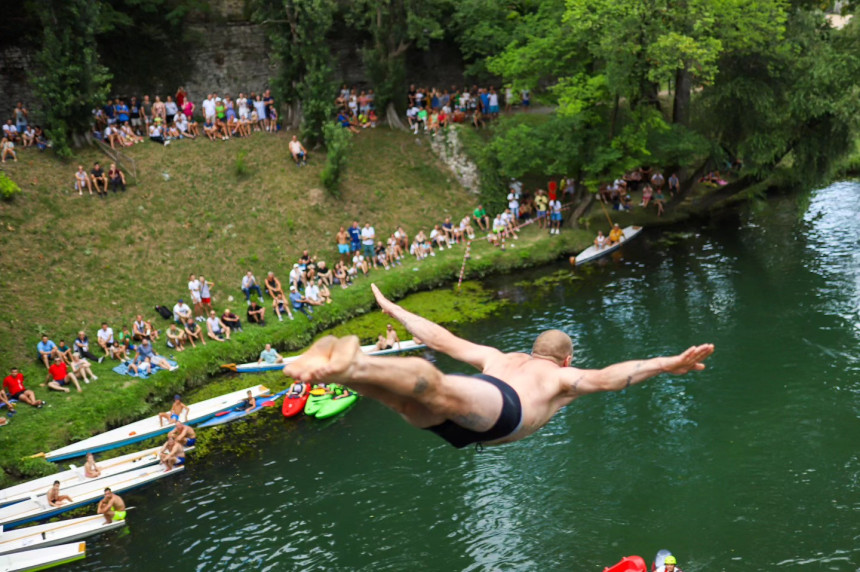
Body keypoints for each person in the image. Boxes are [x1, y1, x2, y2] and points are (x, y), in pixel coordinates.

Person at [284, 284, 714, 449]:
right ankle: (351, 365)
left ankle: (348, 370)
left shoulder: (499, 357)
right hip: (501, 414)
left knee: (411, 401)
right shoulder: (561, 376)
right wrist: (666, 363)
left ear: (532, 348)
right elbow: (611, 378)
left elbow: (440, 338)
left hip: (478, 411)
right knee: (425, 393)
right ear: (567, 358)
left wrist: (394, 309)